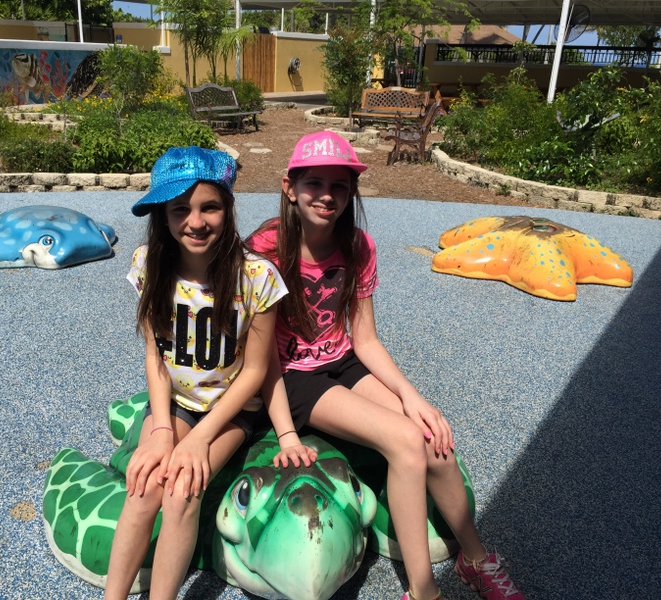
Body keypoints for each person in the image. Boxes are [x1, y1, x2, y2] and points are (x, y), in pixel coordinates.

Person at [247, 131, 526, 600]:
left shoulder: (357, 246)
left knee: (433, 438)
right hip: (292, 376)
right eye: (314, 183)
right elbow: (260, 355)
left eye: (339, 186)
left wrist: (413, 397)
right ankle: (423, 590)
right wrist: (285, 431)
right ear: (289, 187)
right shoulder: (265, 249)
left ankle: (475, 558)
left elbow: (366, 339)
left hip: (342, 362)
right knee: (404, 441)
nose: (327, 196)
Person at [105, 147, 313, 600]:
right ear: (163, 216)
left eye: (209, 207)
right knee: (143, 487)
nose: (195, 222)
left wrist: (200, 438)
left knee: (182, 491)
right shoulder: (149, 265)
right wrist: (162, 429)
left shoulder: (256, 277)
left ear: (228, 207)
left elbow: (256, 370)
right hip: (177, 404)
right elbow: (155, 355)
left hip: (230, 411)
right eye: (180, 209)